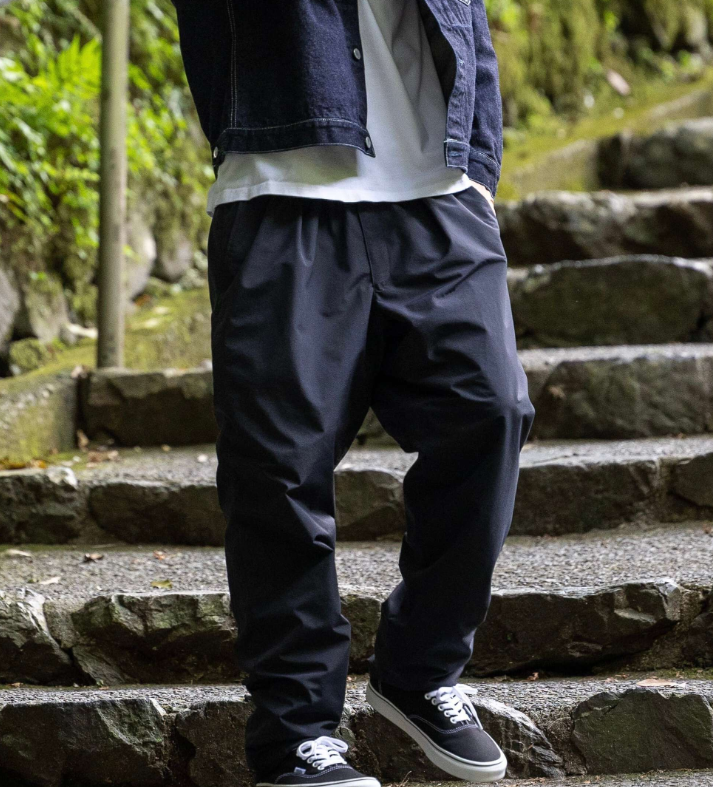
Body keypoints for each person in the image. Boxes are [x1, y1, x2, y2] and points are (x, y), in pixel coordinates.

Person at [171, 1, 535, 784]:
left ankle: (420, 669)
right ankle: (294, 731)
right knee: (278, 464)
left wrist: (477, 168)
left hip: (439, 189)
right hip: (283, 187)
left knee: (491, 412)